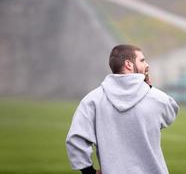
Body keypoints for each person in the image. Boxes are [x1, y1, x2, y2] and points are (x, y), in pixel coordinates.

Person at [66, 44, 179, 174]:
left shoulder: (92, 100)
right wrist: (149, 87)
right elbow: (170, 113)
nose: (147, 65)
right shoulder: (156, 98)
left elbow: (75, 139)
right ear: (129, 64)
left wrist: (89, 172)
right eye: (142, 60)